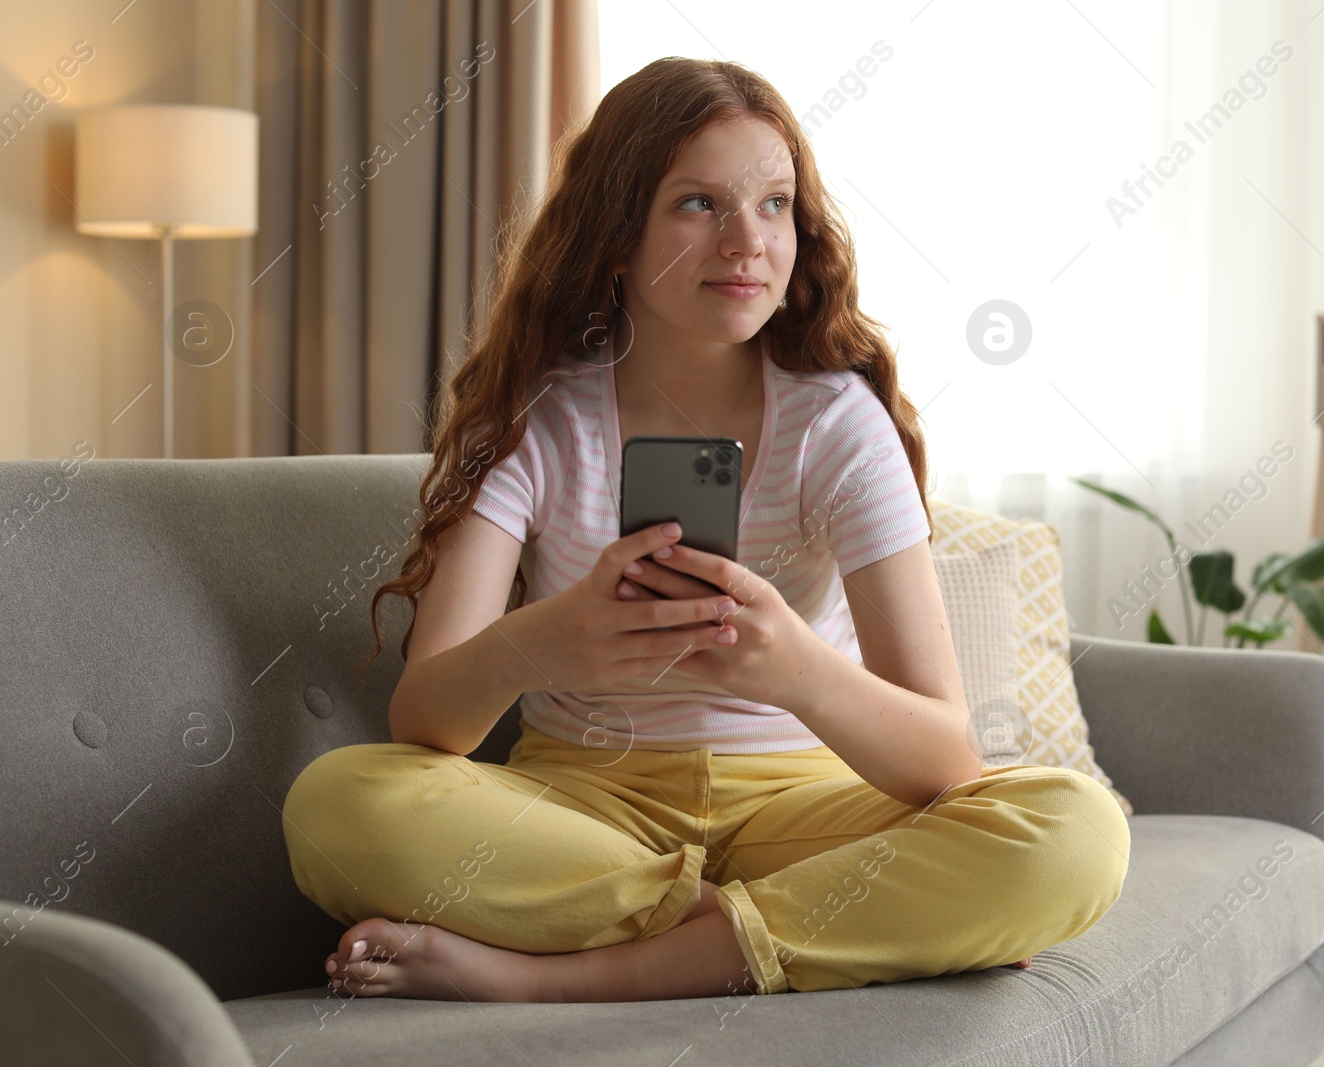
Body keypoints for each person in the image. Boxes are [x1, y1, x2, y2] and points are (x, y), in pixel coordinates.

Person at [282, 56, 1129, 1005]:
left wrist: (793, 670)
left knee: (1073, 831)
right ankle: (781, 926)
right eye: (697, 204)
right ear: (614, 236)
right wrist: (538, 643)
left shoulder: (838, 425)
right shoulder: (534, 416)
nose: (747, 241)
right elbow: (424, 722)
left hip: (803, 803)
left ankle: (545, 977)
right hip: (585, 807)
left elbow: (944, 759)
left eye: (774, 205)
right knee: (336, 805)